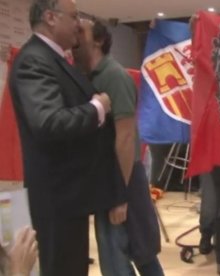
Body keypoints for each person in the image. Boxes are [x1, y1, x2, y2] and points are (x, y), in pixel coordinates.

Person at [9, 1, 125, 275]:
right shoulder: (34, 61)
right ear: (50, 17)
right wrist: (98, 108)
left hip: (69, 197)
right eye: (74, 17)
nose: (78, 25)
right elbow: (49, 122)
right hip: (56, 199)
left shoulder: (54, 59)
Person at [73, 19, 163, 275]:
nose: (74, 34)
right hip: (107, 179)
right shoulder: (85, 77)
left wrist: (120, 195)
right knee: (117, 257)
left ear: (98, 40)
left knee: (135, 255)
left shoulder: (114, 76)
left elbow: (125, 137)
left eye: (81, 30)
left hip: (123, 177)